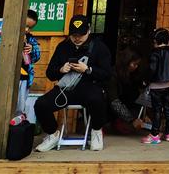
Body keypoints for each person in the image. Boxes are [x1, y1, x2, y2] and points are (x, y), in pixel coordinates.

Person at [34, 15, 111, 152]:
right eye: (74, 35)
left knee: (98, 99)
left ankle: (96, 131)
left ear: (89, 30)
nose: (77, 38)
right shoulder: (62, 46)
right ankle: (53, 134)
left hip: (89, 86)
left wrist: (87, 70)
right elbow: (50, 73)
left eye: (81, 34)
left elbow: (107, 74)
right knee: (41, 104)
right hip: (65, 89)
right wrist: (61, 69)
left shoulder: (99, 47)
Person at [0, 9, 41, 124]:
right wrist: (9, 35)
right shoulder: (6, 35)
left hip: (24, 78)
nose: (27, 30)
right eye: (25, 26)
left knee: (20, 104)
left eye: (30, 28)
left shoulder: (31, 40)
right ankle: (2, 125)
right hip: (6, 76)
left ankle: (17, 123)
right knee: (3, 105)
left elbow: (37, 56)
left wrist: (32, 50)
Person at [141, 28, 169, 144]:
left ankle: (155, 135)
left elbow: (152, 69)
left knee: (157, 110)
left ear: (155, 41)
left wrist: (145, 80)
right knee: (168, 109)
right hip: (168, 85)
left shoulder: (154, 54)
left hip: (155, 87)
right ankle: (168, 133)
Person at [107, 46, 146, 134]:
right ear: (126, 62)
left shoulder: (134, 76)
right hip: (113, 113)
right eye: (134, 64)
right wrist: (131, 119)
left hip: (130, 111)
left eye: (137, 65)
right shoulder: (112, 75)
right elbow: (114, 102)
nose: (136, 67)